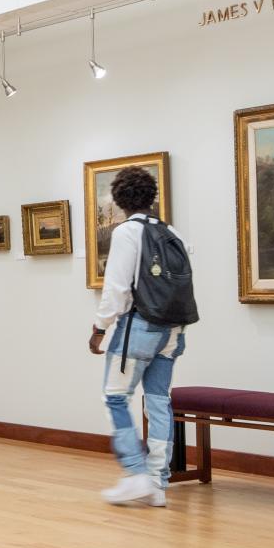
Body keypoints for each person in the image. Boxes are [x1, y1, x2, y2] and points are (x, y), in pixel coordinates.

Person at [88, 165, 188, 507]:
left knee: (115, 397)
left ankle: (136, 474)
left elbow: (116, 289)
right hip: (173, 332)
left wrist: (100, 328)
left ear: (119, 201)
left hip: (138, 331)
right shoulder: (170, 231)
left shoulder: (127, 233)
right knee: (158, 400)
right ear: (151, 197)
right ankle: (158, 482)